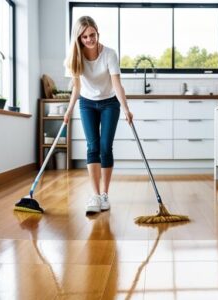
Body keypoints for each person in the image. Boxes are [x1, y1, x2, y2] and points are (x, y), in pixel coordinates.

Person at [64, 16, 133, 215]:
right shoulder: (75, 57)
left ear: (97, 32)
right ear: (79, 38)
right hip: (87, 103)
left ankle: (104, 194)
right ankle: (94, 195)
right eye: (84, 36)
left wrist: (126, 108)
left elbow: (117, 84)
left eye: (92, 34)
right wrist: (68, 111)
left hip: (110, 103)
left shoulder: (109, 54)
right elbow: (76, 89)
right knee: (92, 147)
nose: (89, 39)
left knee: (105, 147)